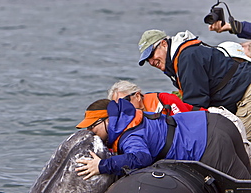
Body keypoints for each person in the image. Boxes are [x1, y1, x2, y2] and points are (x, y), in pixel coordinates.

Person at [75, 99, 251, 180]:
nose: (90, 132)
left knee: (243, 191)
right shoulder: (131, 117)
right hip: (216, 122)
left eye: (92, 126)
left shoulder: (129, 135)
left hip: (209, 142)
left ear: (107, 120)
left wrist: (102, 166)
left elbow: (141, 157)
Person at [137, 29, 251, 141]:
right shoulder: (181, 56)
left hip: (245, 94)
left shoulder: (187, 58)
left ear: (164, 44)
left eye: (152, 54)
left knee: (242, 144)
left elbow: (196, 101)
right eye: (148, 60)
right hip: (238, 94)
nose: (151, 62)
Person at [108, 80, 251, 159]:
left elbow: (185, 128)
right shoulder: (131, 122)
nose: (121, 108)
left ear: (137, 96)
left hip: (218, 123)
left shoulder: (164, 100)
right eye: (116, 106)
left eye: (124, 101)